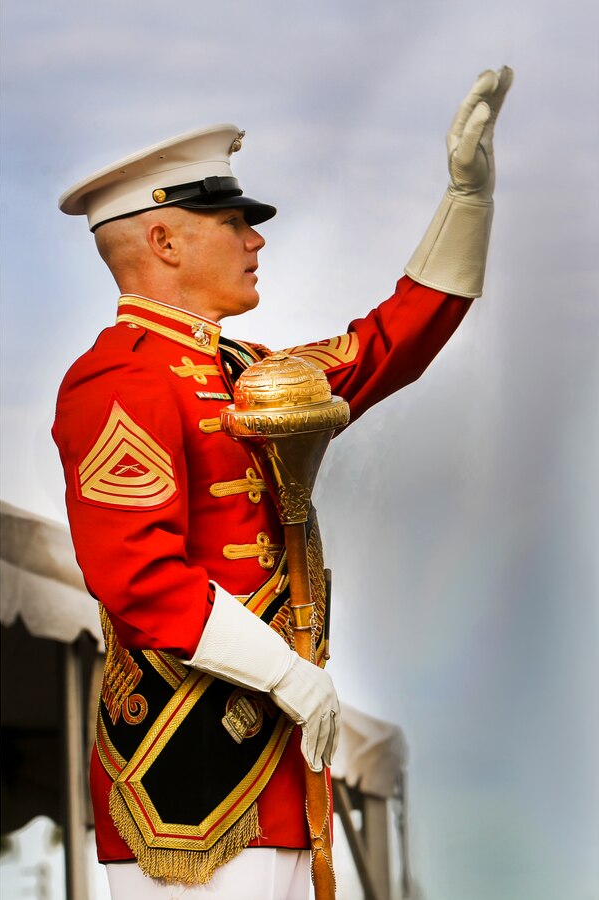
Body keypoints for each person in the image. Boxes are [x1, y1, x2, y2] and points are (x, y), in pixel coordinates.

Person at [52, 66, 512, 900]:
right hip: (186, 774)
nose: (257, 240)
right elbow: (139, 579)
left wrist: (467, 200)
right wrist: (290, 677)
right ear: (165, 243)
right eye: (235, 223)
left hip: (283, 759)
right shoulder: (117, 378)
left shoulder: (247, 371)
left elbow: (380, 350)